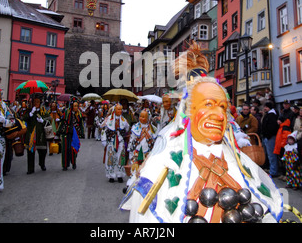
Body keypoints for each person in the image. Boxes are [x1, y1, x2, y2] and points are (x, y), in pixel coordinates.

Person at [120, 42, 283, 223]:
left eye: (223, 107)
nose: (220, 115)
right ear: (188, 110)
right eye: (208, 105)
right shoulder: (161, 164)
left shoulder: (237, 161)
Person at [101, 103, 130, 183]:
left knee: (121, 157)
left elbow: (127, 128)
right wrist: (104, 140)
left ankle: (119, 174)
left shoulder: (123, 120)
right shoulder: (108, 119)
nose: (120, 111)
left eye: (121, 109)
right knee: (111, 157)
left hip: (120, 141)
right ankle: (111, 175)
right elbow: (103, 129)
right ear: (114, 110)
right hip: (111, 141)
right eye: (118, 109)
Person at [23, 95, 50, 174]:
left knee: (43, 151)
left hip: (41, 134)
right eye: (34, 102)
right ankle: (30, 168)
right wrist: (31, 113)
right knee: (30, 152)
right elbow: (24, 118)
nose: (36, 103)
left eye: (37, 102)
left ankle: (42, 164)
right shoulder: (29, 110)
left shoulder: (43, 111)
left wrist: (43, 121)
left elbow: (49, 119)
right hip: (31, 134)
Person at [57, 99, 81, 170]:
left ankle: (73, 163)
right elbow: (62, 122)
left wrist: (81, 133)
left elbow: (80, 124)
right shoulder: (67, 113)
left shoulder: (78, 114)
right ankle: (65, 165)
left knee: (73, 149)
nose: (76, 107)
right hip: (66, 133)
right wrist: (58, 132)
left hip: (74, 135)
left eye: (77, 106)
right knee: (65, 149)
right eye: (74, 106)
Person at [261, 102, 279, 178]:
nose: (265, 108)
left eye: (266, 107)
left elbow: (272, 128)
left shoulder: (272, 116)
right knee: (269, 155)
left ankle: (273, 171)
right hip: (267, 137)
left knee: (272, 155)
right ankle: (271, 170)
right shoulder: (268, 114)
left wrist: (267, 135)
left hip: (270, 137)